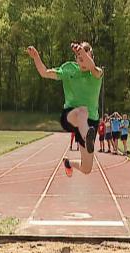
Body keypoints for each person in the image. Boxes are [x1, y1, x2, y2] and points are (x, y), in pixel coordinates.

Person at [27, 42, 103, 177]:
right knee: (82, 112)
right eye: (80, 59)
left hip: (91, 123)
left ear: (92, 58)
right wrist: (36, 57)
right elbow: (45, 73)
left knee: (87, 169)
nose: (83, 62)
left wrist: (82, 53)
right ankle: (86, 136)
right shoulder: (69, 70)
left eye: (86, 58)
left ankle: (69, 163)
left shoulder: (96, 73)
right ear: (75, 60)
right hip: (71, 116)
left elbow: (92, 67)